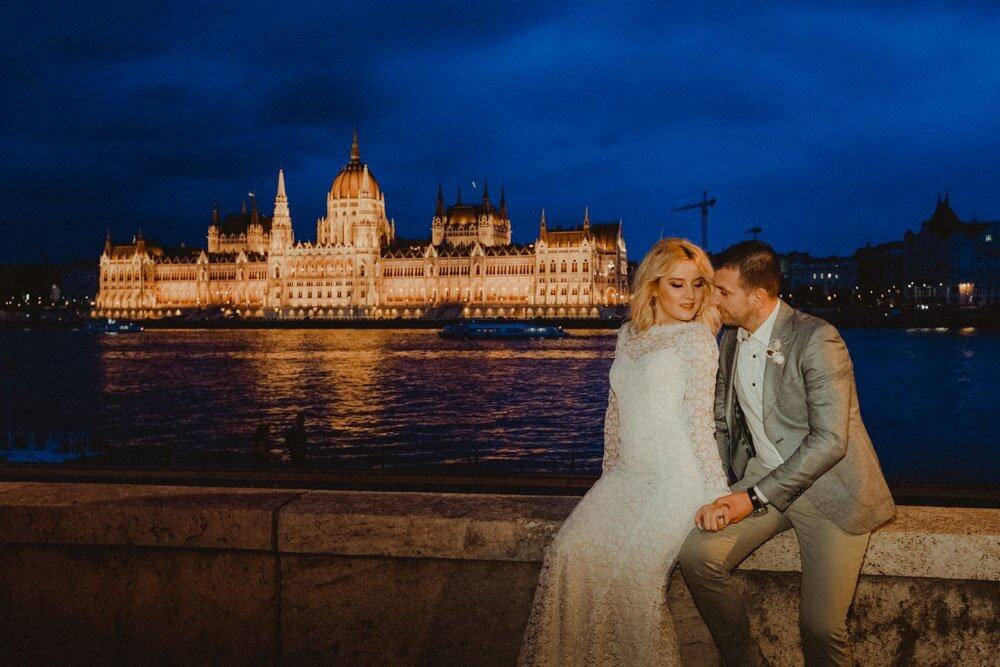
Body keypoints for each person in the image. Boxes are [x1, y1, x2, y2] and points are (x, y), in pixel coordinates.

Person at [678, 241, 895, 666]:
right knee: (697, 557)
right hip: (762, 478)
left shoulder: (818, 338)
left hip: (830, 492)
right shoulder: (729, 340)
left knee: (820, 627)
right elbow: (724, 425)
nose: (712, 298)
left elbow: (831, 441)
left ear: (758, 297)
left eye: (723, 292)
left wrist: (752, 497)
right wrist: (719, 488)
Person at [518, 238, 732, 665]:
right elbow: (614, 418)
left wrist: (716, 494)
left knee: (633, 583)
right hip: (625, 477)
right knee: (568, 554)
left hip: (676, 480)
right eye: (677, 284)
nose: (690, 295)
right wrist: (607, 479)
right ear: (652, 286)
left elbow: (698, 424)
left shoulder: (697, 341)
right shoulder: (628, 335)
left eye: (697, 285)